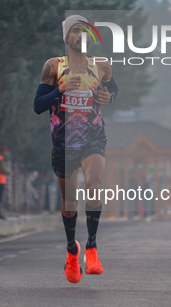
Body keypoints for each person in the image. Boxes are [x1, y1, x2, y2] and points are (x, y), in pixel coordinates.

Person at [33, 15, 118, 283]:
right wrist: (58, 91)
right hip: (64, 141)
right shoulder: (53, 66)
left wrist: (109, 96)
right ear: (67, 37)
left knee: (94, 183)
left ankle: (91, 247)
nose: (80, 36)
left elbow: (113, 88)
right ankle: (72, 250)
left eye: (85, 32)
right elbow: (38, 105)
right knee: (70, 203)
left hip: (94, 138)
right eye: (75, 32)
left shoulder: (102, 65)